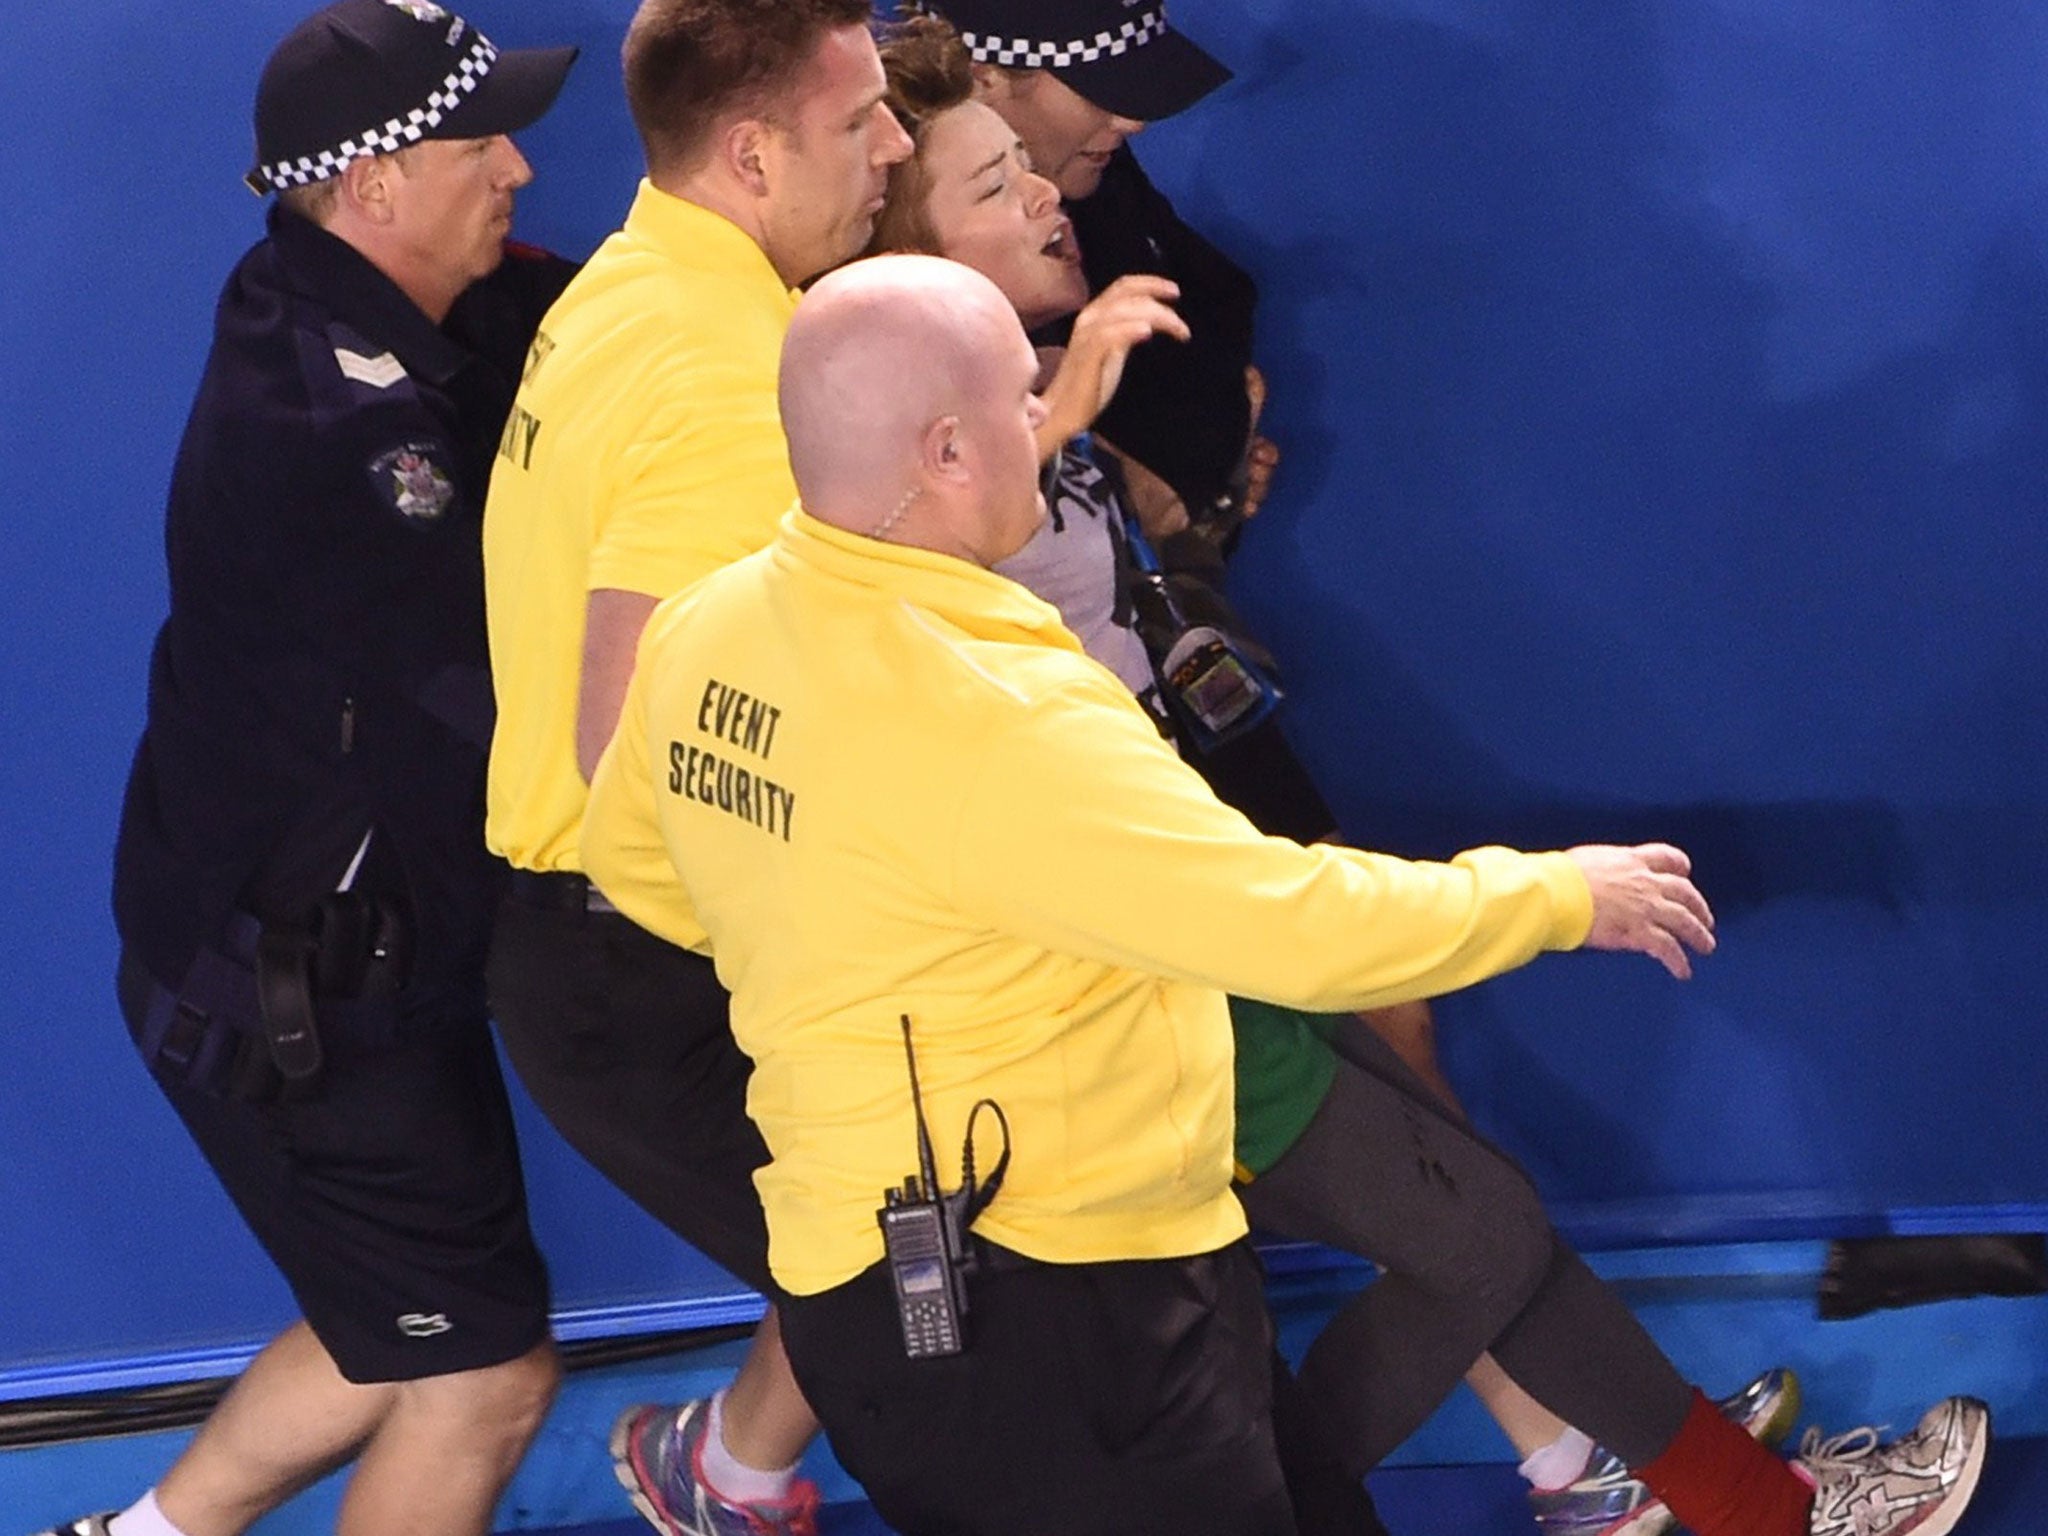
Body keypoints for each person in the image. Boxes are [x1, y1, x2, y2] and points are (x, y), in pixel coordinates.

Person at [576, 250, 1941, 1536]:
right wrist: (1556, 897)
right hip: (1062, 1310)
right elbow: (1287, 927)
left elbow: (645, 865)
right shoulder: (999, 715)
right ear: (942, 453)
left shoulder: (709, 629)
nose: (1048, 423)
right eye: (1022, 401)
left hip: (867, 1291)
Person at [854, 38, 1993, 1536]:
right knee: (1472, 1233)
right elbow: (952, 674)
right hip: (1122, 983)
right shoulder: (948, 476)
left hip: (1170, 938)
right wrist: (1060, 427)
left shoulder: (1020, 412)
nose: (1055, 201)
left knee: (1475, 1224)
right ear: (914, 258)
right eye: (995, 187)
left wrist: (1126, 474)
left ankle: (1736, 1509)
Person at [50, 6, 579, 1536]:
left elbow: (592, 318)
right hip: (304, 1003)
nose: (524, 170)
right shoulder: (340, 432)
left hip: (292, 959)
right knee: (480, 1376)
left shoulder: (350, 292)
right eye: (486, 143)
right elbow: (513, 684)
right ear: (377, 182)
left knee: (406, 1318)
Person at [477, 2, 912, 1532]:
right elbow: (634, 756)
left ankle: (723, 1473)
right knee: (932, 1330)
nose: (898, 147)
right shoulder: (735, 367)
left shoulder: (624, 280)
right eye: (862, 120)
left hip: (585, 951)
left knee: (923, 1299)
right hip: (651, 967)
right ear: (751, 150)